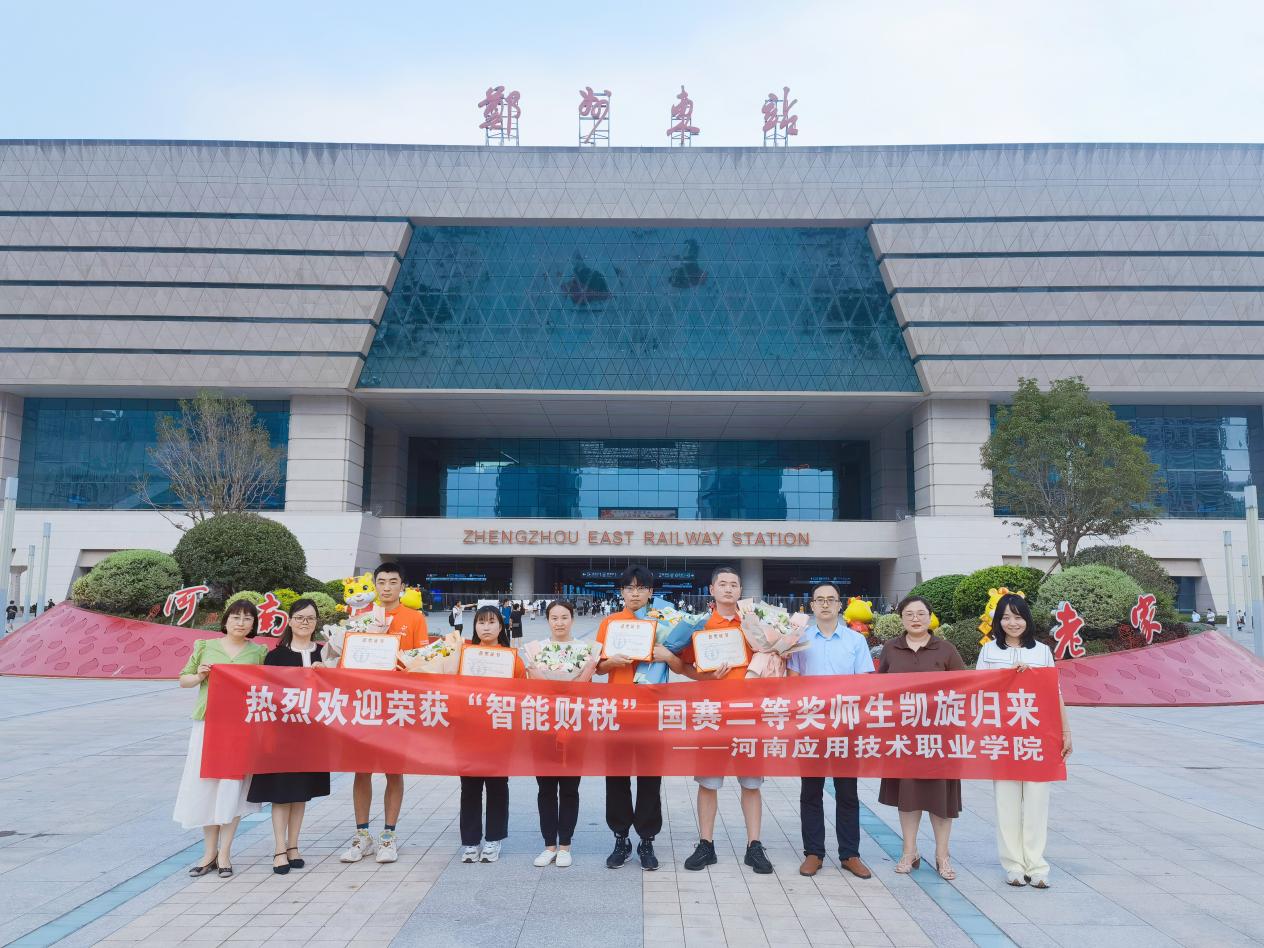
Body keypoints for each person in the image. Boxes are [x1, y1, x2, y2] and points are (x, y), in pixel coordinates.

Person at [665, 566, 774, 875]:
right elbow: (683, 666)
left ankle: (754, 846)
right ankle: (706, 844)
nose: (728, 589)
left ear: (740, 591)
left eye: (734, 584)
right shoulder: (699, 625)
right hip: (712, 715)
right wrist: (708, 676)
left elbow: (774, 658)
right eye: (722, 584)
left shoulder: (754, 624)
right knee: (708, 782)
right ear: (711, 590)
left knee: (751, 783)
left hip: (749, 714)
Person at [977, 594, 1072, 888]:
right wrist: (1006, 677)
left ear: (1027, 619)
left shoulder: (1041, 652)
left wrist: (1065, 732)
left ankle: (1036, 865)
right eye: (1006, 617)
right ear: (998, 621)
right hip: (1003, 738)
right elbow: (979, 691)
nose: (1012, 623)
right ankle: (1013, 865)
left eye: (1018, 617)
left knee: (1036, 801)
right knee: (1006, 802)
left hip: (1037, 737)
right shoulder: (989, 651)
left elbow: (1055, 693)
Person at [340, 562, 430, 866]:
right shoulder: (360, 617)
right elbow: (346, 660)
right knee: (361, 769)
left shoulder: (414, 618)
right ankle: (361, 835)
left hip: (396, 706)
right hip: (364, 704)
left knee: (394, 770)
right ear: (374, 585)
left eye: (393, 581)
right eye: (381, 581)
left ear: (402, 586)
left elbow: (422, 662)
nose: (387, 587)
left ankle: (389, 836)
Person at [173, 600, 268, 878]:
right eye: (236, 617)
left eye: (248, 618)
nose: (241, 623)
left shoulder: (258, 652)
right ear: (225, 620)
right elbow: (183, 680)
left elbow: (267, 686)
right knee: (207, 786)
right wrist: (200, 675)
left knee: (231, 787)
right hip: (208, 724)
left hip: (241, 728)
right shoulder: (205, 646)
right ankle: (209, 853)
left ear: (253, 624)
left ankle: (225, 853)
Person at [786, 582, 875, 879]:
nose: (825, 604)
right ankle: (813, 853)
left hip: (845, 725)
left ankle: (850, 854)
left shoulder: (855, 641)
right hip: (810, 725)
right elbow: (793, 679)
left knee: (847, 791)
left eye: (831, 599)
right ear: (812, 606)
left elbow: (864, 683)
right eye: (819, 600)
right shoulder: (799, 640)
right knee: (810, 790)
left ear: (840, 605)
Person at [878, 595, 967, 881]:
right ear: (901, 619)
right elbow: (878, 688)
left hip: (940, 737)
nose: (915, 619)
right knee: (908, 796)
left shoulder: (946, 649)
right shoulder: (891, 649)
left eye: (920, 614)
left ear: (930, 617)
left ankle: (942, 855)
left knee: (941, 799)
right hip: (903, 737)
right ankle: (909, 852)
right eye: (909, 614)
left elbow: (965, 688)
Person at [595, 565, 673, 871]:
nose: (635, 593)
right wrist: (611, 662)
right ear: (622, 592)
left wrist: (666, 653)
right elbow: (597, 667)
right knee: (616, 775)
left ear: (651, 592)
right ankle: (621, 837)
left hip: (652, 711)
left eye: (641, 588)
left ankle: (647, 839)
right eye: (629, 588)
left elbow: (678, 662)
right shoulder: (610, 623)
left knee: (650, 776)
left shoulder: (663, 623)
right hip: (618, 711)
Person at [247, 598, 332, 875]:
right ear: (290, 621)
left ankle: (294, 846)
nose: (305, 623)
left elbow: (337, 693)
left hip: (312, 735)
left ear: (316, 623)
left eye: (310, 618)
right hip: (281, 735)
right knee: (281, 794)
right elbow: (266, 693)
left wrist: (328, 675)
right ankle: (279, 849)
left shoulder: (325, 655)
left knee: (300, 793)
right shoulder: (276, 656)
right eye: (300, 618)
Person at [459, 605, 527, 863]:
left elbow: (522, 695)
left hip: (499, 731)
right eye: (481, 622)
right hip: (469, 732)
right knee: (469, 787)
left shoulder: (513, 659)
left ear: (501, 626)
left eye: (491, 622)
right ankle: (470, 841)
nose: (486, 627)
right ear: (474, 626)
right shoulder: (463, 655)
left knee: (497, 786)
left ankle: (494, 839)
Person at [529, 599, 584, 868]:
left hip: (574, 724)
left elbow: (584, 686)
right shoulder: (536, 650)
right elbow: (533, 684)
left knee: (570, 787)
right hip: (544, 725)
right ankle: (549, 845)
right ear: (547, 620)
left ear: (572, 619)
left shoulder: (585, 650)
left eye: (564, 617)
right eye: (554, 618)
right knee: (546, 788)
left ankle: (565, 846)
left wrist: (586, 671)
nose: (559, 623)